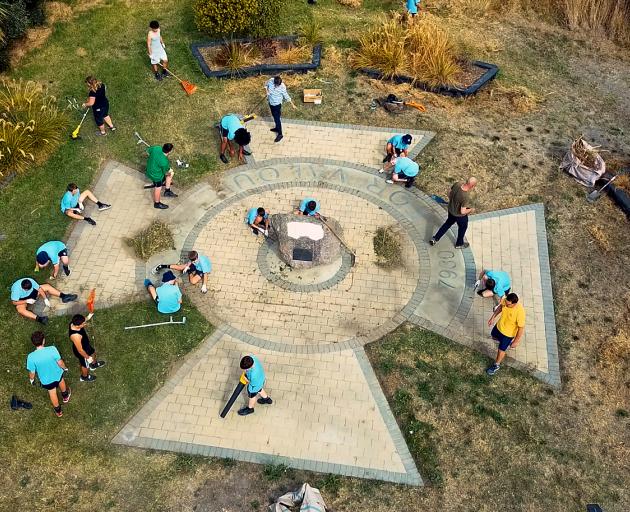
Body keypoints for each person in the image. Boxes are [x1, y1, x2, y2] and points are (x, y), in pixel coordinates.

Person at [26, 331, 71, 418]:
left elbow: (32, 372)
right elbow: (60, 362)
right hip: (58, 374)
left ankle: (59, 412)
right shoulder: (52, 349)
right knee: (61, 382)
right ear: (43, 341)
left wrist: (31, 379)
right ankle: (65, 397)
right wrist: (65, 368)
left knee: (52, 393)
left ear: (33, 343)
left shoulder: (31, 357)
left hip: (46, 381)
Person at [429, 177, 477, 249]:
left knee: (447, 224)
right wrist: (471, 210)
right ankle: (459, 244)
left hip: (451, 211)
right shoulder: (466, 196)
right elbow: (462, 211)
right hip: (460, 216)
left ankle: (435, 238)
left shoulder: (457, 184)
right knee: (462, 228)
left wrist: (453, 201)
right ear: (472, 186)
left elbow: (449, 193)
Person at [485, 292, 526, 376]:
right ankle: (503, 343)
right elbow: (500, 307)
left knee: (501, 349)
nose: (506, 305)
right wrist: (492, 318)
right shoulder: (506, 301)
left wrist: (516, 341)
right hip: (499, 327)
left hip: (508, 334)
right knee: (493, 335)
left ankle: (496, 365)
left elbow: (521, 328)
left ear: (514, 303)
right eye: (506, 303)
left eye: (508, 305)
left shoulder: (520, 312)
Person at [11, 277, 78, 324]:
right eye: (27, 290)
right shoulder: (16, 290)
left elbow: (39, 289)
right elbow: (14, 302)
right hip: (23, 299)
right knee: (20, 310)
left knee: (47, 286)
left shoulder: (30, 281)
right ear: (23, 288)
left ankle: (64, 296)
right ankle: (40, 319)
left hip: (33, 293)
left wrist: (45, 299)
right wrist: (26, 301)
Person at [69, 314, 105, 383]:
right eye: (83, 323)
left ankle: (93, 365)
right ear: (77, 326)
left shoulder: (73, 323)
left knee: (93, 352)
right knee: (85, 365)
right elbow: (80, 350)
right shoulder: (75, 336)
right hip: (82, 352)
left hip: (86, 345)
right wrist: (87, 357)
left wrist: (88, 317)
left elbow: (82, 320)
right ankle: (84, 377)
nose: (85, 324)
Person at [265, 75, 297, 143]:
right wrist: (266, 91)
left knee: (277, 119)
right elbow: (266, 84)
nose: (277, 86)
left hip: (277, 104)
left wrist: (292, 104)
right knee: (274, 116)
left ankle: (280, 134)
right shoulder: (270, 80)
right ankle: (277, 128)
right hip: (271, 103)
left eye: (278, 85)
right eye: (276, 85)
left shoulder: (282, 87)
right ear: (274, 82)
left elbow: (286, 96)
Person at [146, 143, 178, 209]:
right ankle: (157, 203)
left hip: (149, 170)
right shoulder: (164, 161)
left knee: (170, 174)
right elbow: (166, 171)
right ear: (170, 151)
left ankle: (167, 190)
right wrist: (170, 171)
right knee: (158, 187)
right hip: (156, 176)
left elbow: (148, 151)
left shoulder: (156, 148)